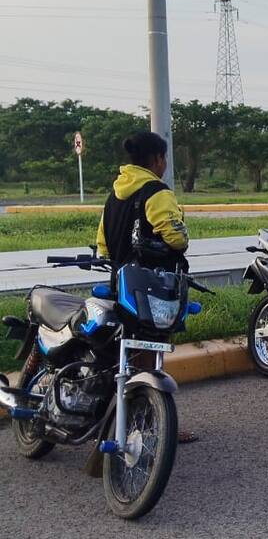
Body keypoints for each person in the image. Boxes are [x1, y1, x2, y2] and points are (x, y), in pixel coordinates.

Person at [96, 131, 197, 444]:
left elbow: (103, 245)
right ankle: (153, 420)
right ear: (157, 159)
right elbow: (177, 238)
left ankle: (127, 419)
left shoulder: (115, 194)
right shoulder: (157, 192)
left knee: (124, 355)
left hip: (120, 285)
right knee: (150, 355)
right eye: (164, 158)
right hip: (151, 290)